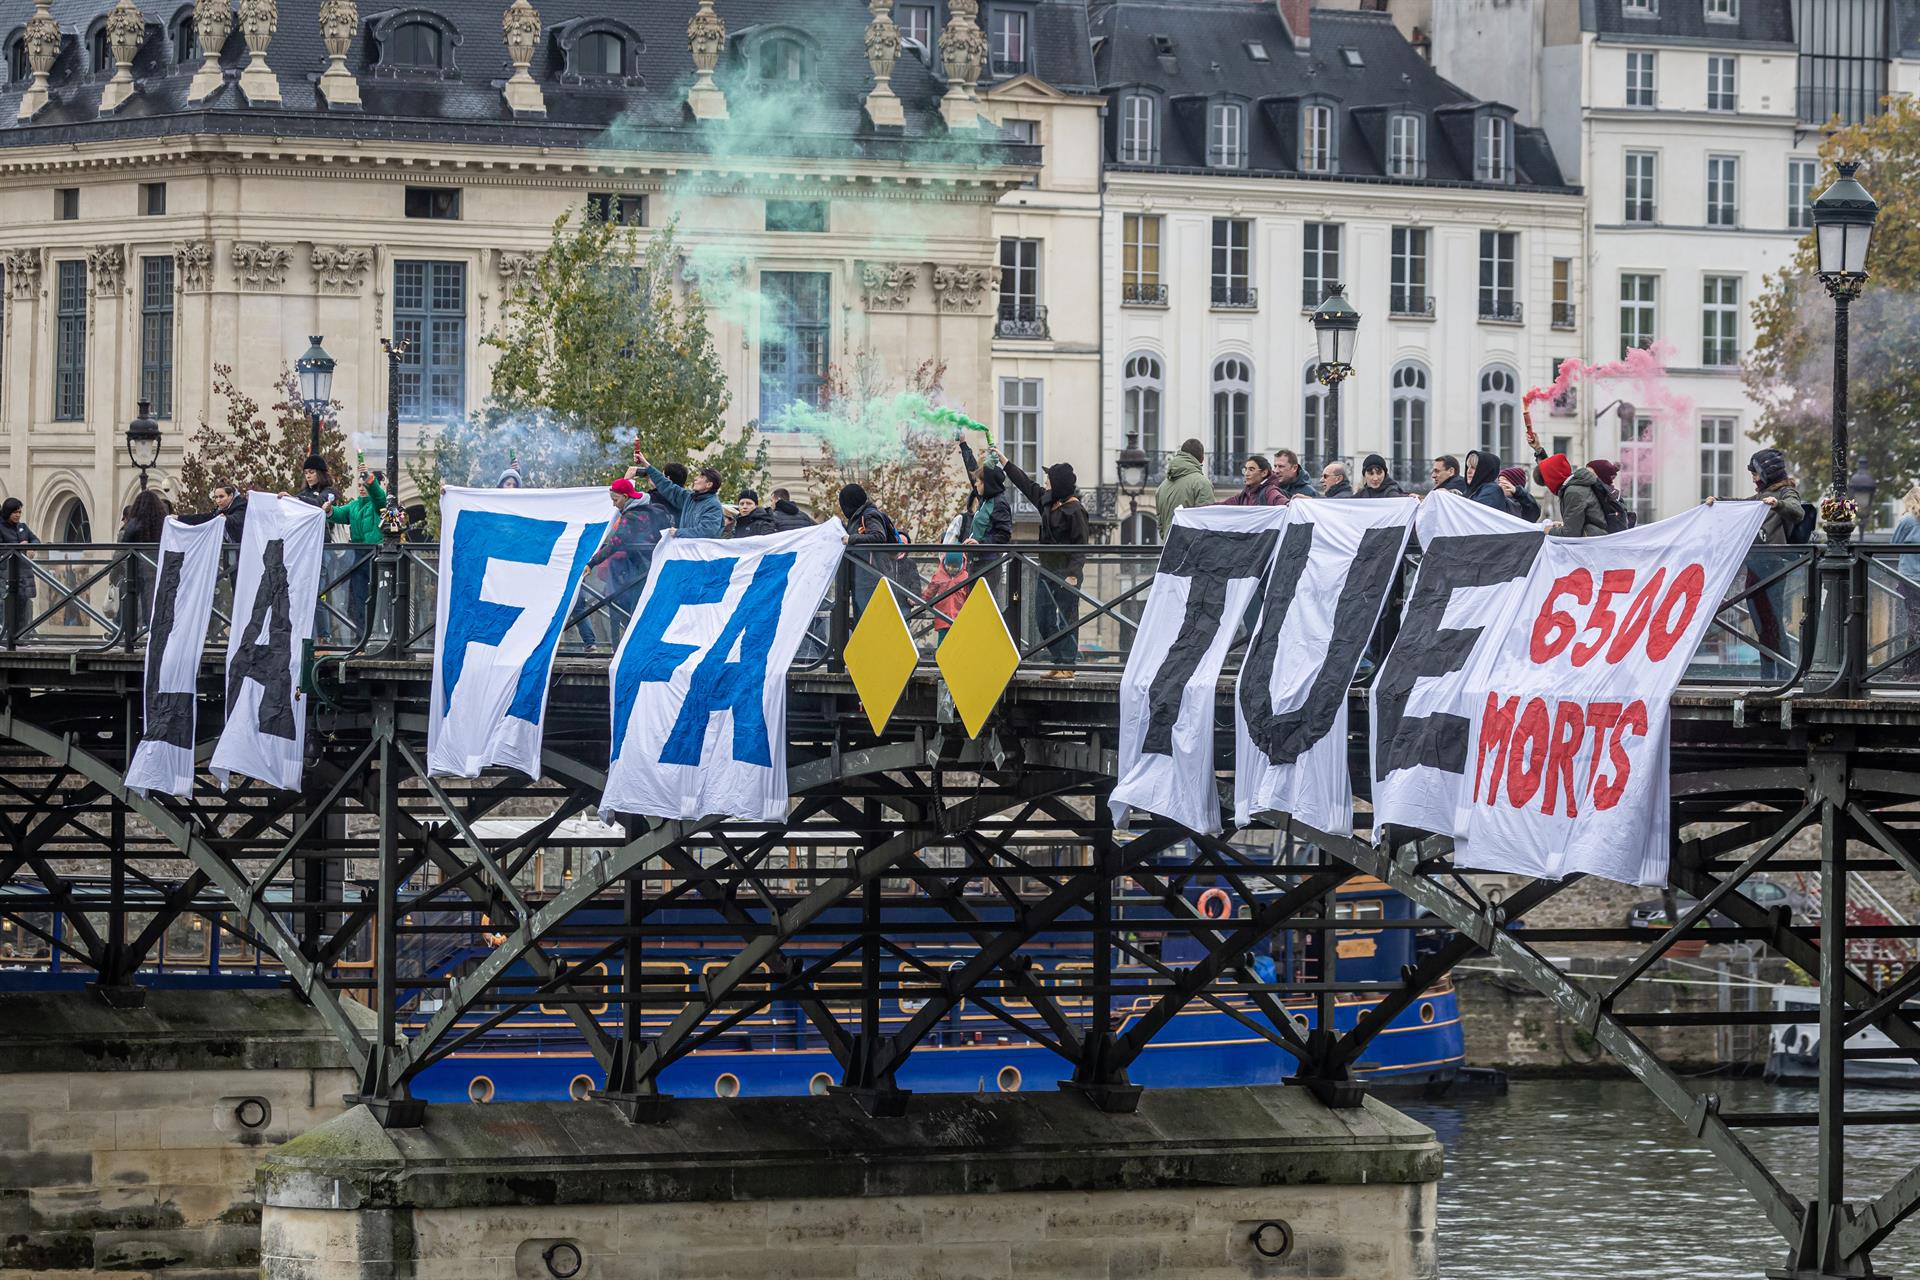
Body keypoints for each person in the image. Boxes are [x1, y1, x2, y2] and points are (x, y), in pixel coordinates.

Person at [1000, 451, 1090, 674]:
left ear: (1057, 483)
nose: (1045, 480)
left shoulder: (1075, 510)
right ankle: (1059, 660)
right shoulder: (1048, 502)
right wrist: (1005, 462)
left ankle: (1067, 665)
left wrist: (1073, 574)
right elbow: (1025, 484)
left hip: (1067, 573)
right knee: (1043, 618)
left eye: (1049, 477)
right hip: (1048, 571)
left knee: (1067, 620)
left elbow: (1081, 546)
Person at [579, 478, 656, 651]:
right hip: (648, 568)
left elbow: (615, 543)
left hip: (638, 570)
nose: (614, 505)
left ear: (626, 496)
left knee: (631, 610)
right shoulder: (647, 508)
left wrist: (592, 563)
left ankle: (631, 651)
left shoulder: (632, 516)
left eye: (615, 500)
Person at [326, 469, 388, 637]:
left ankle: (376, 635)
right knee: (359, 597)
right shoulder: (354, 506)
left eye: (364, 485)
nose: (361, 488)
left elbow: (379, 497)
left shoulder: (378, 505)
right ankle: (362, 636)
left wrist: (369, 479)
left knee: (375, 596)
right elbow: (339, 513)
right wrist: (329, 510)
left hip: (375, 554)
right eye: (359, 485)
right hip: (358, 555)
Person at [635, 449, 724, 538]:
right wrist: (645, 463)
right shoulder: (689, 498)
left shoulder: (713, 505)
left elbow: (707, 531)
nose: (695, 479)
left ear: (709, 484)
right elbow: (667, 485)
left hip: (701, 551)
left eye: (701, 477)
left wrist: (679, 532)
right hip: (687, 549)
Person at [118, 488, 167, 630]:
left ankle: (134, 633)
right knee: (154, 600)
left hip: (138, 567)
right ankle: (154, 630)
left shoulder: (134, 523)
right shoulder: (163, 523)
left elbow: (125, 544)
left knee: (136, 600)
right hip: (158, 565)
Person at [956, 440, 1013, 545]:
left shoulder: (998, 503)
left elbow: (1004, 536)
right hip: (979, 558)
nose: (975, 485)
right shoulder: (986, 499)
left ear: (986, 484)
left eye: (978, 481)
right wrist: (963, 444)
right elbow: (972, 468)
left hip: (990, 560)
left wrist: (980, 544)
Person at [1156, 438, 1214, 536]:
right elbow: (1208, 523)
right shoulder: (1202, 483)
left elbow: (1161, 527)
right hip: (1193, 550)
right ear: (1202, 459)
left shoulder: (1161, 487)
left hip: (1169, 549)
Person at [0, 497, 41, 629]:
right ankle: (5, 636)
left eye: (19, 512)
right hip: (6, 574)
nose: (18, 515)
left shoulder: (22, 527)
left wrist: (30, 546)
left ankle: (23, 635)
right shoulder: (1, 527)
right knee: (4, 604)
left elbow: (36, 540)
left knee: (24, 603)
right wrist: (19, 546)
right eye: (15, 512)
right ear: (7, 512)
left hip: (24, 574)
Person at [1894, 483, 1920, 676]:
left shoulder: (1908, 521)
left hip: (1910, 578)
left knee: (1914, 623)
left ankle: (1912, 670)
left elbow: (1892, 545)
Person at [923, 552, 970, 647]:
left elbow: (970, 596)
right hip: (943, 617)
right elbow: (930, 592)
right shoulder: (939, 575)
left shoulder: (966, 576)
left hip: (960, 618)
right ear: (945, 563)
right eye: (949, 567)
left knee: (958, 646)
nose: (951, 570)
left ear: (961, 565)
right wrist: (918, 599)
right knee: (942, 645)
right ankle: (939, 661)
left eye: (955, 567)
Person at [1221, 455, 1285, 507]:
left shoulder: (1270, 491)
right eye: (1245, 469)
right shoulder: (1244, 494)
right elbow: (1222, 505)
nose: (1246, 473)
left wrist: (1291, 503)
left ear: (1264, 473)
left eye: (1251, 470)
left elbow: (1284, 503)